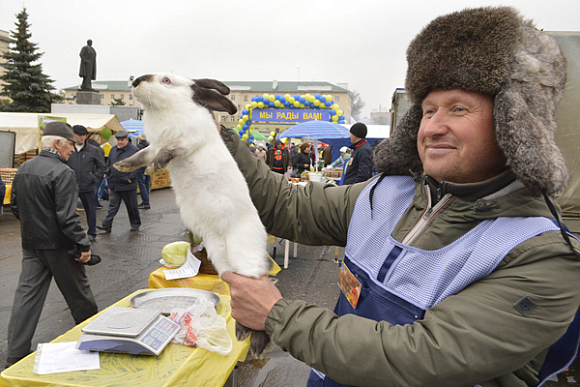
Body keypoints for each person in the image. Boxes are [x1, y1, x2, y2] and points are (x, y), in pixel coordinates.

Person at [220, 7, 580, 386]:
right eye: (427, 110)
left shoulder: (542, 253)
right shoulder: (387, 193)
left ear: (513, 123)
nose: (434, 127)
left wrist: (277, 313)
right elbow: (286, 207)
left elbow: (421, 357)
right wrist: (210, 137)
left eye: (458, 109)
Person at [7, 122, 98, 368]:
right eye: (71, 144)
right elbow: (68, 218)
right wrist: (84, 245)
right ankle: (95, 345)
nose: (72, 150)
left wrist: (35, 227)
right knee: (80, 298)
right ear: (58, 144)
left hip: (32, 245)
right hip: (60, 248)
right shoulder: (63, 172)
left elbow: (16, 207)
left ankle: (14, 355)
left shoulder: (24, 168)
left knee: (26, 299)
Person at [66, 125, 106, 241]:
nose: (82, 137)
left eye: (84, 135)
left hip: (87, 186)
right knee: (69, 211)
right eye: (79, 135)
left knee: (90, 210)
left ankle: (92, 232)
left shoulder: (94, 150)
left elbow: (101, 167)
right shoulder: (69, 149)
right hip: (71, 186)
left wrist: (92, 178)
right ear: (73, 135)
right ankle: (71, 232)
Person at [97, 130, 141, 232]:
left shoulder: (134, 150)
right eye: (118, 140)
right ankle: (106, 225)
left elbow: (139, 166)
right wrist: (107, 172)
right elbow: (109, 163)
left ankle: (135, 223)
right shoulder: (113, 150)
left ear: (127, 140)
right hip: (114, 184)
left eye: (122, 140)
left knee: (132, 206)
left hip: (127, 184)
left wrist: (130, 178)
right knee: (112, 206)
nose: (120, 142)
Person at [87, 134, 106, 209]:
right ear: (97, 140)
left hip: (89, 171)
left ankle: (95, 202)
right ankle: (94, 203)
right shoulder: (99, 149)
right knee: (96, 188)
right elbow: (101, 162)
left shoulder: (87, 147)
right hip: (97, 171)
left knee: (93, 188)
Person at [136, 133, 151, 210]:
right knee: (147, 184)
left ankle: (145, 202)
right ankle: (146, 200)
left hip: (142, 167)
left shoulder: (139, 147)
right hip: (149, 166)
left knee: (142, 185)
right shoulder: (150, 146)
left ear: (140, 139)